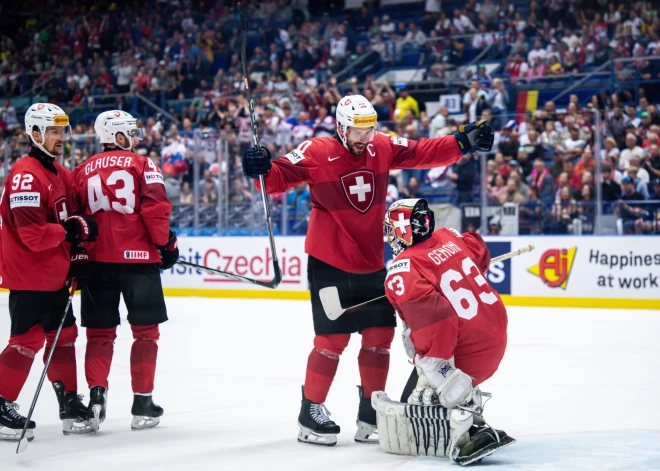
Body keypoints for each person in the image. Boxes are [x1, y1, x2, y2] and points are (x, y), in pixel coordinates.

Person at [241, 94, 494, 446]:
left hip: (372, 261)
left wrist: (460, 142)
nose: (364, 137)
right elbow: (277, 177)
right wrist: (260, 167)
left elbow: (422, 151)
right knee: (331, 341)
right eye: (357, 131)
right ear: (341, 128)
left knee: (379, 339)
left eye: (369, 129)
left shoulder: (382, 146)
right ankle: (310, 412)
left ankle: (369, 411)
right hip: (329, 261)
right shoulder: (317, 151)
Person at [379, 198, 514, 464]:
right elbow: (480, 252)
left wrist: (435, 369)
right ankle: (463, 401)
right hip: (494, 333)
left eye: (391, 229)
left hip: (469, 349)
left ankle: (468, 421)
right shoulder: (449, 236)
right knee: (414, 387)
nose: (389, 236)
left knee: (419, 398)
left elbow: (436, 324)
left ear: (403, 230)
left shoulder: (403, 268)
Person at [70, 110, 179, 432]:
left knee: (100, 334)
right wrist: (166, 245)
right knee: (146, 333)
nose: (135, 137)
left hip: (96, 263)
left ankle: (96, 398)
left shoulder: (79, 171)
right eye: (130, 132)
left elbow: (74, 220)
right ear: (117, 136)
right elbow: (156, 210)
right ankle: (143, 404)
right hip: (138, 263)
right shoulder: (143, 165)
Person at [0, 103, 99, 441]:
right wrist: (69, 234)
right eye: (54, 131)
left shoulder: (60, 173)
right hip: (29, 274)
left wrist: (79, 253)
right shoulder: (25, 175)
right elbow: (31, 236)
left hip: (55, 274)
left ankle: (69, 403)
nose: (61, 137)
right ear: (36, 133)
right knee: (26, 340)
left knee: (64, 337)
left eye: (62, 130)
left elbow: (75, 218)